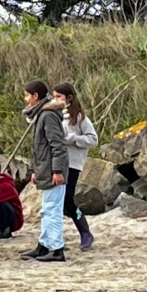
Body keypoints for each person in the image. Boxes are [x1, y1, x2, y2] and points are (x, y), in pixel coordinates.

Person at [18, 80, 69, 263]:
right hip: (45, 169)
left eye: (27, 95)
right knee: (46, 210)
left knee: (52, 210)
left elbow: (58, 145)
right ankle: (44, 244)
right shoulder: (41, 115)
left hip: (52, 171)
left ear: (35, 96)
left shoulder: (47, 115)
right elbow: (38, 148)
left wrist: (57, 171)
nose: (25, 99)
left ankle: (56, 249)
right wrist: (34, 170)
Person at [52, 83, 99, 251]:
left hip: (72, 163)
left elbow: (93, 139)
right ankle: (55, 237)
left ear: (69, 98)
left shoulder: (79, 118)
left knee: (67, 199)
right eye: (54, 96)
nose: (55, 100)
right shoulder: (54, 115)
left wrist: (73, 138)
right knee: (55, 200)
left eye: (59, 97)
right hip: (57, 162)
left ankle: (84, 232)